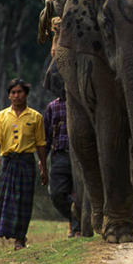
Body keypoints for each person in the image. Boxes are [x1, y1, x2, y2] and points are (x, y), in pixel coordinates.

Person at [0, 78, 48, 250]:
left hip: (27, 162)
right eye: (13, 92)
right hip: (9, 162)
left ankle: (20, 238)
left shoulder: (36, 117)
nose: (16, 95)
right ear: (9, 95)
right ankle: (10, 233)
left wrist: (44, 167)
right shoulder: (1, 116)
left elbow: (41, 144)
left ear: (26, 94)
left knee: (25, 201)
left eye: (19, 92)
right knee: (9, 200)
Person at [43, 95, 81, 238]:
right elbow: (45, 137)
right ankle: (75, 218)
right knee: (56, 194)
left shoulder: (81, 102)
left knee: (80, 193)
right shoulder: (53, 107)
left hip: (81, 154)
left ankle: (77, 228)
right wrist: (42, 161)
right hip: (60, 154)